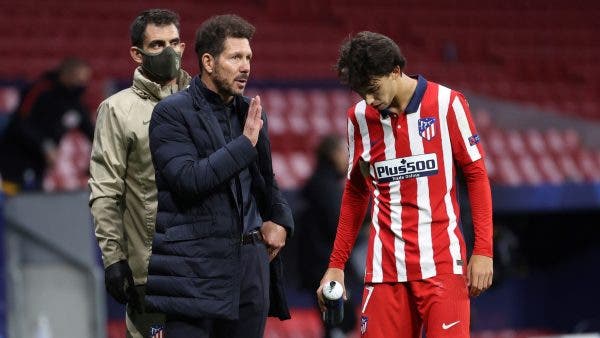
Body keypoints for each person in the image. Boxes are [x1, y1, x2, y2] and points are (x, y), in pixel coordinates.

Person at [316, 31, 494, 338]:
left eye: (372, 88)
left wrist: (484, 251)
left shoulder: (447, 104)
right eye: (362, 93)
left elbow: (477, 176)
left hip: (442, 266)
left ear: (396, 70)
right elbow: (356, 192)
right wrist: (337, 265)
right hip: (385, 272)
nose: (369, 100)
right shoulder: (358, 119)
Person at [144, 14, 294, 338]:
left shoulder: (250, 115)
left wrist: (280, 219)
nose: (246, 67)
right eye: (236, 57)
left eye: (249, 57)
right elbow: (188, 181)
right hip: (193, 271)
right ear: (208, 62)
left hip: (249, 268)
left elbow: (267, 183)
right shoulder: (171, 113)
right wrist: (244, 144)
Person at [87, 9, 191, 338]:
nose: (169, 52)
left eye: (174, 43)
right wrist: (114, 259)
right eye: (158, 45)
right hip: (151, 270)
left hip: (205, 267)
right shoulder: (116, 111)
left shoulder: (203, 102)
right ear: (137, 53)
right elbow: (105, 192)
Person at [0, 57, 94, 194]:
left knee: (33, 199)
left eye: (84, 81)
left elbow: (92, 132)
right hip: (16, 157)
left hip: (39, 164)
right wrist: (45, 145)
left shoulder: (75, 102)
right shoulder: (41, 90)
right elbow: (21, 122)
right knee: (11, 199)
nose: (82, 84)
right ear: (66, 74)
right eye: (78, 79)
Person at [297, 135, 359, 338]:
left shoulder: (320, 182)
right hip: (326, 266)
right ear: (333, 154)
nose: (347, 158)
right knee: (337, 322)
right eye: (344, 152)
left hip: (319, 264)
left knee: (338, 322)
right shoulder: (326, 186)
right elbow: (338, 225)